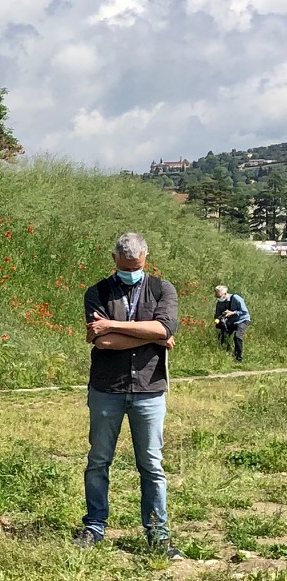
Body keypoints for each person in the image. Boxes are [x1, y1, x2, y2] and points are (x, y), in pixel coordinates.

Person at [76, 232, 181, 559]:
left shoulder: (163, 289)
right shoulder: (97, 292)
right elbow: (102, 342)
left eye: (134, 266)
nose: (129, 270)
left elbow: (166, 328)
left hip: (150, 390)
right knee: (98, 461)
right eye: (124, 266)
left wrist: (114, 326)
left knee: (151, 464)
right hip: (107, 388)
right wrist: (151, 335)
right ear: (114, 260)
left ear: (145, 259)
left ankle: (158, 534)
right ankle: (95, 526)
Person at [214, 284, 251, 364]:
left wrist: (232, 313)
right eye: (216, 296)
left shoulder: (236, 298)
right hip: (231, 322)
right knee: (222, 337)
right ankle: (228, 354)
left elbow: (244, 312)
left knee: (237, 336)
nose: (218, 298)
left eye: (219, 296)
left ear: (225, 294)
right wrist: (218, 320)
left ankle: (239, 359)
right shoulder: (219, 303)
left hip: (242, 320)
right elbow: (217, 315)